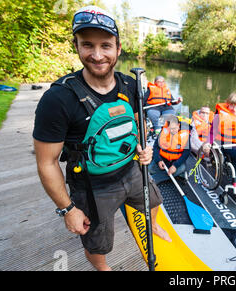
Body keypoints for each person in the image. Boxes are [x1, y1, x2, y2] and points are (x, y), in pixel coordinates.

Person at [33, 5, 170, 271]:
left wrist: (143, 147)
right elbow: (46, 162)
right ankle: (104, 268)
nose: (97, 55)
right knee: (97, 242)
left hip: (131, 170)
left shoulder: (130, 85)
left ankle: (152, 224)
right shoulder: (58, 99)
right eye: (87, 45)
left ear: (118, 49)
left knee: (154, 201)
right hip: (91, 186)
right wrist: (68, 209)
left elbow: (136, 123)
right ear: (77, 46)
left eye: (105, 45)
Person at [149, 115, 191, 184]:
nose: (172, 131)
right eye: (170, 128)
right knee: (150, 169)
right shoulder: (163, 132)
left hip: (176, 161)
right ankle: (172, 175)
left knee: (181, 168)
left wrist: (175, 166)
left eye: (174, 128)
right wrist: (159, 160)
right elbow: (156, 147)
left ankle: (155, 178)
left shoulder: (185, 135)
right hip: (163, 160)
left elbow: (186, 153)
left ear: (178, 125)